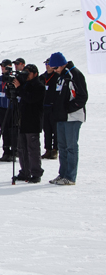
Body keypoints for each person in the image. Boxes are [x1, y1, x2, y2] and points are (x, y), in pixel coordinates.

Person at [47, 52, 88, 185]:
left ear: (62, 64)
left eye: (55, 68)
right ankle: (62, 174)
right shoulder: (61, 76)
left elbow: (82, 97)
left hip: (73, 116)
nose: (54, 70)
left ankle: (70, 177)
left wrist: (68, 109)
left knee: (71, 147)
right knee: (62, 147)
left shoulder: (74, 74)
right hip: (62, 117)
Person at [12, 64, 45, 183]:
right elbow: (15, 96)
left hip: (33, 120)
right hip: (22, 119)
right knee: (21, 148)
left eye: (28, 73)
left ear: (35, 73)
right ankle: (25, 171)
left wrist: (20, 88)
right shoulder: (24, 84)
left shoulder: (39, 85)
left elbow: (30, 99)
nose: (26, 75)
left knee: (33, 148)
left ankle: (36, 173)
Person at [0, 59, 17, 162]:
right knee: (4, 130)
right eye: (1, 66)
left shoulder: (14, 79)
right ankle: (6, 150)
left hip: (12, 108)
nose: (2, 68)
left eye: (4, 66)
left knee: (12, 129)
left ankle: (13, 151)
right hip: (2, 108)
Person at [39, 59, 59, 159]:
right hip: (44, 107)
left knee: (55, 129)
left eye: (49, 64)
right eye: (46, 64)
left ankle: (55, 149)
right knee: (46, 129)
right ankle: (48, 149)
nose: (47, 66)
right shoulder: (42, 77)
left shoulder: (57, 77)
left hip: (54, 107)